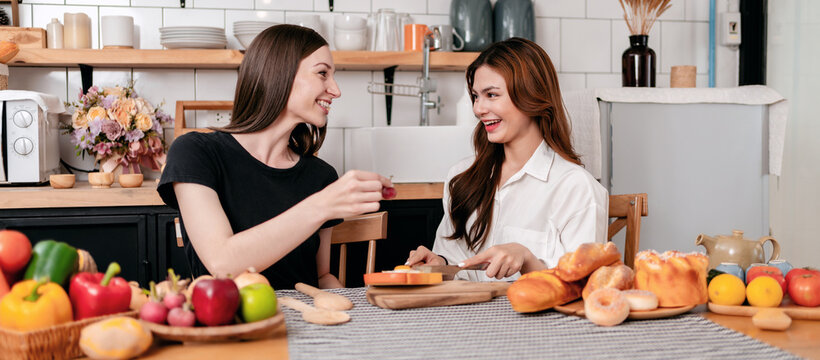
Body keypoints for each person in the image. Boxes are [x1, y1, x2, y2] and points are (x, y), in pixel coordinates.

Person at [158, 25, 392, 290]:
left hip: (308, 323)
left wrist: (356, 314)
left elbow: (322, 277)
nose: (335, 90)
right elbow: (222, 264)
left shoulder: (321, 176)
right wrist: (322, 206)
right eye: (322, 73)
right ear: (280, 73)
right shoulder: (196, 152)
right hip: (232, 324)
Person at [405, 38, 608, 281]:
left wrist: (528, 259)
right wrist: (440, 264)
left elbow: (585, 287)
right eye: (476, 96)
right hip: (465, 318)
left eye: (491, 95)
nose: (479, 108)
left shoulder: (575, 187)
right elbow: (455, 262)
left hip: (539, 320)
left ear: (532, 95)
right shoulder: (461, 178)